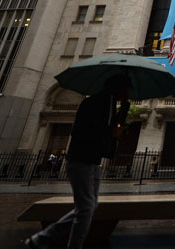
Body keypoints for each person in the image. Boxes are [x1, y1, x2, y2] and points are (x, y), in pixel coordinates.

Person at [24, 75, 132, 249]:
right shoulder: (95, 104)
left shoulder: (111, 105)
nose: (129, 92)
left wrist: (123, 113)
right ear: (118, 88)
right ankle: (59, 242)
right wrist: (110, 134)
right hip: (81, 160)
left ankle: (41, 239)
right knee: (86, 208)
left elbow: (110, 130)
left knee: (88, 206)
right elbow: (84, 132)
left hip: (92, 160)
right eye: (127, 88)